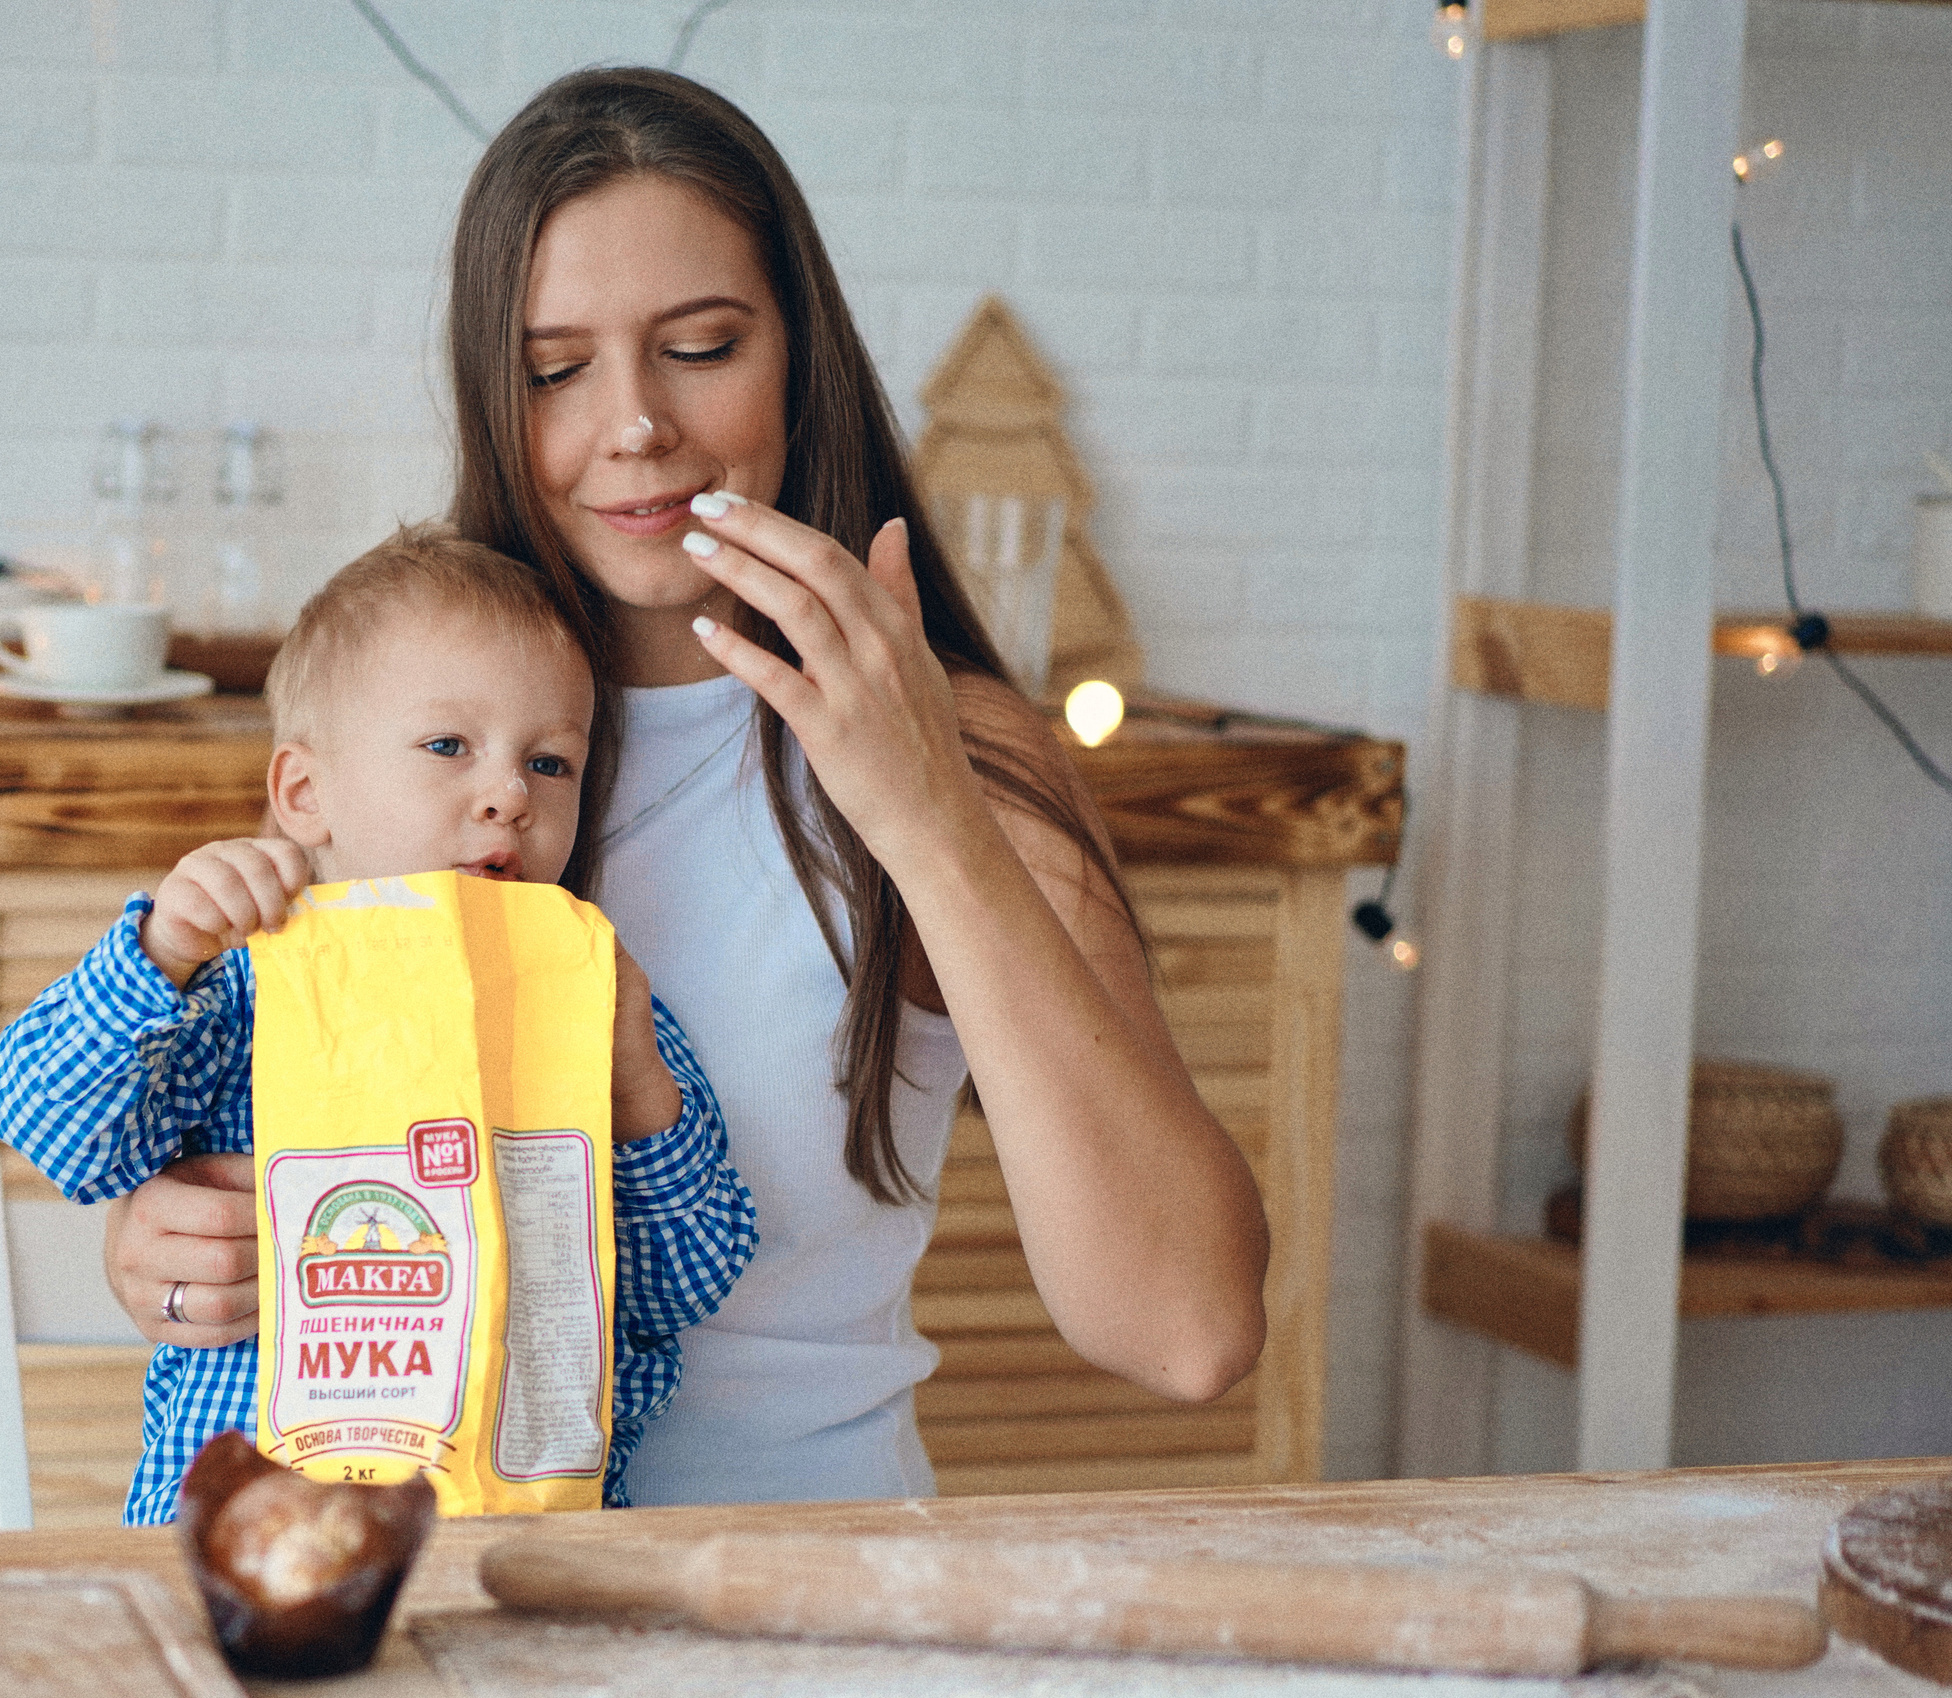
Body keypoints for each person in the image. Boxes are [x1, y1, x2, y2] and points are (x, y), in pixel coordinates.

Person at [102, 66, 1268, 1507]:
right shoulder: (421, 729)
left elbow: (1189, 1328)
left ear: (800, 357)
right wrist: (177, 1255)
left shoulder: (952, 752)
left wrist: (923, 813)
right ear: (495, 398)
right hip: (435, 1577)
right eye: (555, 370)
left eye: (702, 346)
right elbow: (257, 1139)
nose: (634, 422)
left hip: (805, 1586)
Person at [0, 527, 758, 1516]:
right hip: (246, 1536)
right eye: (449, 746)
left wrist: (636, 1080)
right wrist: (163, 951)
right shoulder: (241, 976)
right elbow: (53, 1125)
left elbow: (679, 1287)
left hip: (521, 1543)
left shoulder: (592, 993)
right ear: (305, 793)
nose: (509, 795)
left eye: (550, 762)